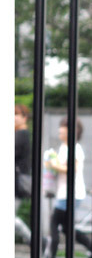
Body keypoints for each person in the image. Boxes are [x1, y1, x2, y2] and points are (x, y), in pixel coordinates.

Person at [44, 117, 92, 258]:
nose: (60, 130)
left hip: (71, 192)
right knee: (67, 227)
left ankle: (51, 253)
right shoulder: (63, 147)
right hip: (63, 192)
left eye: (64, 127)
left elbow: (73, 169)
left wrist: (55, 165)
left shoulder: (75, 148)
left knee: (54, 221)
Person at [15, 104, 33, 245]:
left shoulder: (21, 134)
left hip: (16, 184)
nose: (13, 118)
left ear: (25, 117)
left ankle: (36, 240)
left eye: (16, 114)